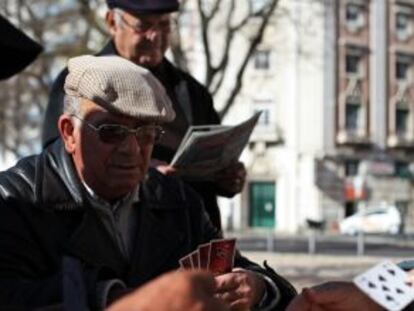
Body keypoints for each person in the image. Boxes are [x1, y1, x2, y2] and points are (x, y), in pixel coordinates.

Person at [0, 54, 296, 310]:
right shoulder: (16, 198)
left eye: (146, 133)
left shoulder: (178, 199)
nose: (131, 149)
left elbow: (234, 267)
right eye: (111, 131)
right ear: (68, 133)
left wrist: (259, 287)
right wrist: (107, 297)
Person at [42, 0, 246, 231]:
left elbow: (215, 166)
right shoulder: (79, 82)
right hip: (112, 233)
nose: (155, 35)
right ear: (112, 22)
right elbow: (55, 159)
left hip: (191, 234)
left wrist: (228, 178)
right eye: (144, 25)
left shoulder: (193, 91)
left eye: (165, 25)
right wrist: (143, 171)